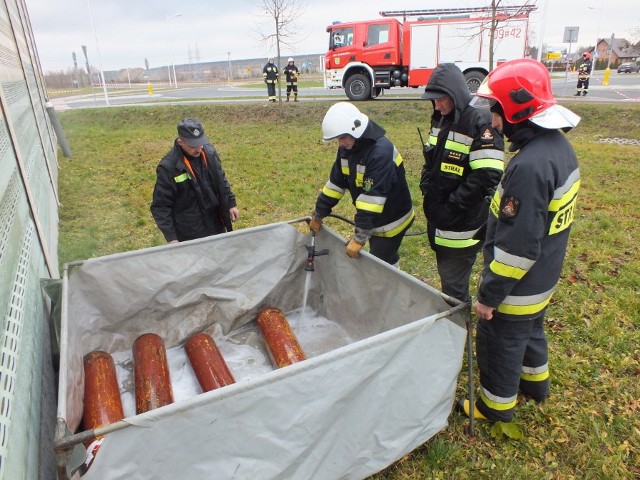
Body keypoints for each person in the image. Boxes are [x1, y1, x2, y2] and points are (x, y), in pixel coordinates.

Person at [457, 58, 581, 423]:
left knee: (501, 342)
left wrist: (488, 295)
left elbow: (518, 246)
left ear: (515, 110)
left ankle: (494, 407)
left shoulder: (529, 167)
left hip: (518, 285)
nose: (492, 121)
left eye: (496, 111)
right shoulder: (559, 149)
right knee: (531, 332)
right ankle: (535, 385)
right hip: (544, 278)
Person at [419, 63, 505, 305]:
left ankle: (459, 332)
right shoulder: (442, 118)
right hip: (441, 223)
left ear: (455, 93)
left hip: (461, 226)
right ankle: (453, 324)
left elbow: (486, 176)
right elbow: (432, 158)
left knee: (454, 291)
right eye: (433, 100)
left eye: (441, 99)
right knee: (449, 283)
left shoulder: (480, 122)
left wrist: (451, 206)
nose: (437, 105)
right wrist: (427, 182)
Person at [309, 102, 414, 266]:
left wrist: (359, 238)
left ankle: (388, 287)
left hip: (392, 219)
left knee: (381, 264)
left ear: (355, 130)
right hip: (374, 216)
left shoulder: (380, 153)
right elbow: (335, 184)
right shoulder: (348, 148)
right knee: (382, 261)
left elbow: (371, 201)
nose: (340, 143)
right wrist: (319, 213)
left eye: (342, 138)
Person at [151, 118, 239, 243]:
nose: (199, 149)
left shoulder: (209, 152)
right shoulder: (169, 168)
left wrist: (230, 203)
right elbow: (161, 206)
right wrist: (172, 238)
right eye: (193, 145)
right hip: (191, 232)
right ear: (181, 142)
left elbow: (220, 178)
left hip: (216, 223)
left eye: (201, 143)